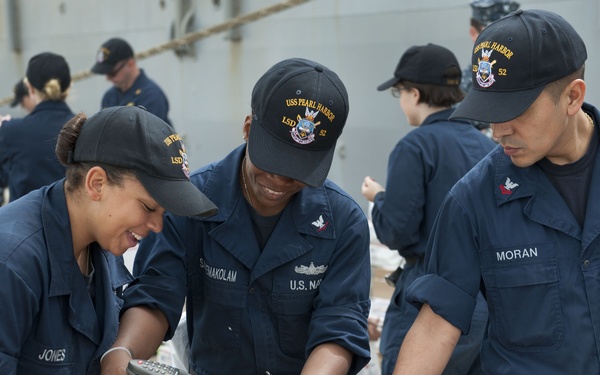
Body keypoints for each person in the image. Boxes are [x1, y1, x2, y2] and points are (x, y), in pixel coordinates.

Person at [101, 57, 372, 375]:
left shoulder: (342, 222)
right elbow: (157, 294)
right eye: (272, 162)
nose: (280, 181)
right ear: (247, 129)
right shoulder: (190, 206)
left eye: (299, 171)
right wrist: (123, 351)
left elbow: (339, 326)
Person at [394, 9, 598, 375]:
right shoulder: (472, 200)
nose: (499, 130)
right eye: (489, 110)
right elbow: (435, 326)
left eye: (514, 110)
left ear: (572, 97)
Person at [0, 105, 217, 374]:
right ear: (97, 184)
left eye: (164, 213)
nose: (158, 226)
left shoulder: (101, 242)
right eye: (149, 207)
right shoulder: (11, 262)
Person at [361, 43, 495, 375]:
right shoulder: (488, 146)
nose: (401, 102)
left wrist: (378, 197)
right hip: (486, 302)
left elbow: (397, 229)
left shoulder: (415, 146)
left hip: (429, 297)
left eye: (400, 93)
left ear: (416, 94)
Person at [0, 52, 75, 202]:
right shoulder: (88, 128)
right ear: (68, 87)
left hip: (26, 223)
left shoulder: (11, 131)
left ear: (30, 88)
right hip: (74, 224)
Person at [91, 37, 172, 126]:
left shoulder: (151, 96)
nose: (108, 78)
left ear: (130, 64)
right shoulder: (109, 96)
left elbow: (150, 135)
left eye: (112, 73)